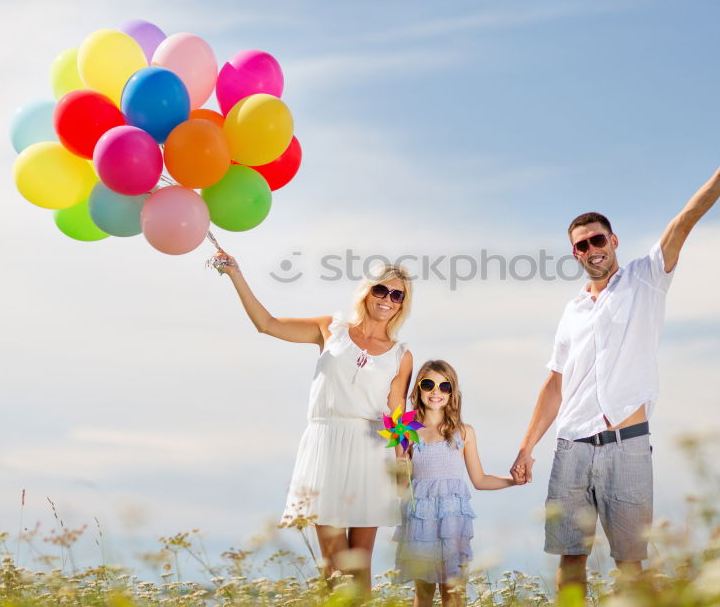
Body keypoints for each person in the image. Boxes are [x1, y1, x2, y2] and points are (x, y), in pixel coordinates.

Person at [510, 112, 720, 592]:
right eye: (582, 245)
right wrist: (527, 447)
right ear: (576, 254)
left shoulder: (647, 278)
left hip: (627, 447)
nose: (592, 249)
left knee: (630, 565)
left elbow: (684, 220)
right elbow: (555, 382)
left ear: (614, 240)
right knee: (570, 560)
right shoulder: (571, 312)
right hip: (571, 446)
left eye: (598, 239)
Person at [212, 250, 414, 594]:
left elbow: (397, 415)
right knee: (334, 562)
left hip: (371, 450)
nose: (388, 300)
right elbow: (267, 324)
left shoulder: (401, 355)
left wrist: (404, 463)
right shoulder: (330, 329)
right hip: (326, 445)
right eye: (382, 290)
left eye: (398, 295)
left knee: (359, 562)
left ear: (401, 304)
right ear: (367, 291)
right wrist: (236, 275)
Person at [393, 360, 516, 607]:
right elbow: (401, 487)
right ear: (417, 390)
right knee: (423, 593)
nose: (436, 392)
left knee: (453, 591)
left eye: (444, 386)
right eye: (428, 384)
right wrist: (399, 466)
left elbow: (480, 480)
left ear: (452, 393)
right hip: (420, 522)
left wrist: (512, 481)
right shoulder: (405, 431)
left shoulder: (463, 432)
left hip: (452, 523)